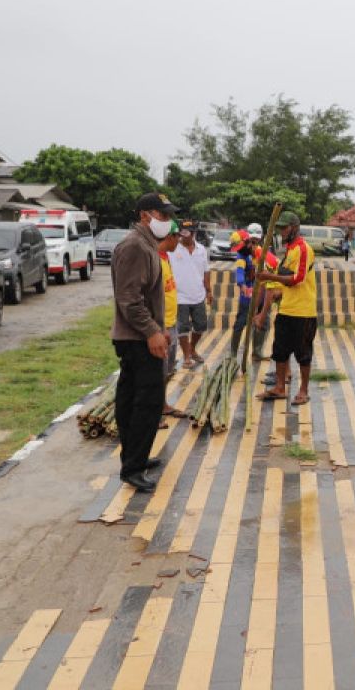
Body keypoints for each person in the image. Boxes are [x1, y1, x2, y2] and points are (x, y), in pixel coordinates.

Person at [110, 192, 178, 492]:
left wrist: (155, 329)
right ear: (144, 216)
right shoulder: (136, 246)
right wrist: (152, 332)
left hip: (140, 336)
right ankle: (133, 467)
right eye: (162, 215)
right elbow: (129, 298)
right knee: (147, 402)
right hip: (138, 338)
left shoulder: (146, 245)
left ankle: (134, 457)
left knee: (130, 399)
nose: (167, 221)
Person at [256, 212, 317, 405]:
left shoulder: (303, 249)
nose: (282, 232)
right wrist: (275, 293)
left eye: (285, 228)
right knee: (280, 350)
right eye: (280, 228)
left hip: (303, 311)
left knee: (303, 353)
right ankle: (280, 387)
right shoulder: (289, 251)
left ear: (294, 227)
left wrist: (270, 278)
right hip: (286, 310)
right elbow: (284, 283)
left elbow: (297, 279)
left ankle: (303, 390)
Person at [229, 225, 279, 359]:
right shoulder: (244, 255)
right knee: (241, 322)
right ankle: (232, 354)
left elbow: (269, 289)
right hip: (249, 296)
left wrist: (261, 311)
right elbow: (240, 271)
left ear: (251, 243)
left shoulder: (264, 258)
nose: (240, 251)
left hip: (268, 296)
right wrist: (242, 285)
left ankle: (257, 352)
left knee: (263, 323)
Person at [169, 219, 212, 368]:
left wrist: (209, 291)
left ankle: (192, 349)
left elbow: (206, 272)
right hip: (180, 296)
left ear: (193, 233)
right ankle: (187, 356)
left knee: (201, 326)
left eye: (187, 233)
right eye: (182, 233)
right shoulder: (173, 249)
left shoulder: (202, 250)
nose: (184, 236)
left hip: (198, 295)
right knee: (183, 328)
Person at [158, 221, 188, 421]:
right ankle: (153, 412)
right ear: (169, 237)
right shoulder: (154, 259)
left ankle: (162, 404)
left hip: (171, 321)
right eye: (178, 237)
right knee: (157, 371)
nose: (179, 241)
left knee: (168, 368)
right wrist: (160, 327)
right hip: (161, 326)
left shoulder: (165, 257)